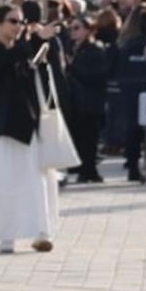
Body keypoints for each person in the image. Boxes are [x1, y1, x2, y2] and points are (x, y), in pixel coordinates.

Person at [0, 6, 59, 253]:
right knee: (7, 182)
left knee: (37, 180)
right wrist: (36, 39)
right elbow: (4, 63)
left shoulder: (23, 50)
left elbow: (37, 79)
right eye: (12, 21)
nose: (18, 26)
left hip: (30, 124)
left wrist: (41, 53)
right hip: (8, 127)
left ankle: (41, 232)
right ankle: (7, 236)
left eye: (20, 22)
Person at [62, 15, 112, 184]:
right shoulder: (72, 48)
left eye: (77, 28)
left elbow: (96, 75)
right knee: (80, 135)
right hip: (76, 100)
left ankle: (89, 170)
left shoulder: (94, 50)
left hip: (90, 100)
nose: (72, 31)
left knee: (89, 136)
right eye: (71, 28)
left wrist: (72, 67)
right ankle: (84, 168)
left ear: (88, 30)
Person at [114, 5, 146, 182]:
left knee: (132, 128)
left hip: (130, 88)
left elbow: (119, 67)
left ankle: (132, 166)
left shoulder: (126, 44)